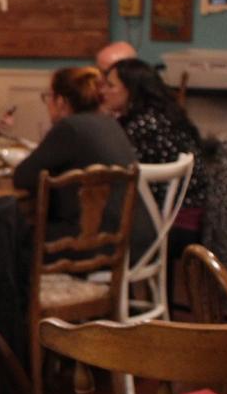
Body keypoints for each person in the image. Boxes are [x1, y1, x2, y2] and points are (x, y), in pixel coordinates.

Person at [14, 66, 153, 259]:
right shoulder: (108, 122)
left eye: (49, 97)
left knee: (9, 238)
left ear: (61, 101)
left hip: (100, 242)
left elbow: (22, 177)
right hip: (135, 237)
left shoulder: (70, 127)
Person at [105, 58, 208, 251]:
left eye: (110, 86)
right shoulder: (164, 114)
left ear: (131, 90)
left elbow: (119, 174)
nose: (104, 92)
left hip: (173, 221)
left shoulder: (144, 125)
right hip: (192, 214)